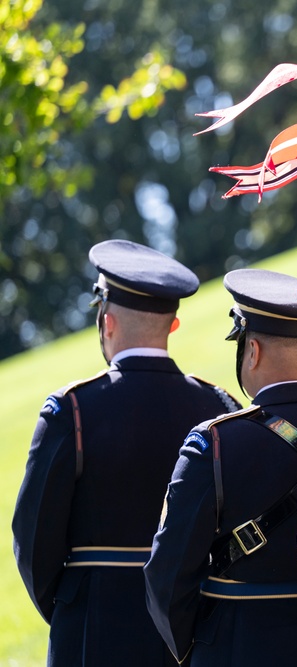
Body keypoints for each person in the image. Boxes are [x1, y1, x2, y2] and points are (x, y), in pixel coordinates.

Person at [12, 239, 240, 666]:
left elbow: (33, 545)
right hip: (193, 638)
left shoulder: (71, 410)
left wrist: (74, 605)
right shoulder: (220, 409)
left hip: (92, 633)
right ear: (173, 325)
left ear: (107, 319)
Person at [143, 268, 297, 666]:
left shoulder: (214, 443)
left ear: (251, 350)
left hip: (239, 647)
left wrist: (200, 651)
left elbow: (166, 578)